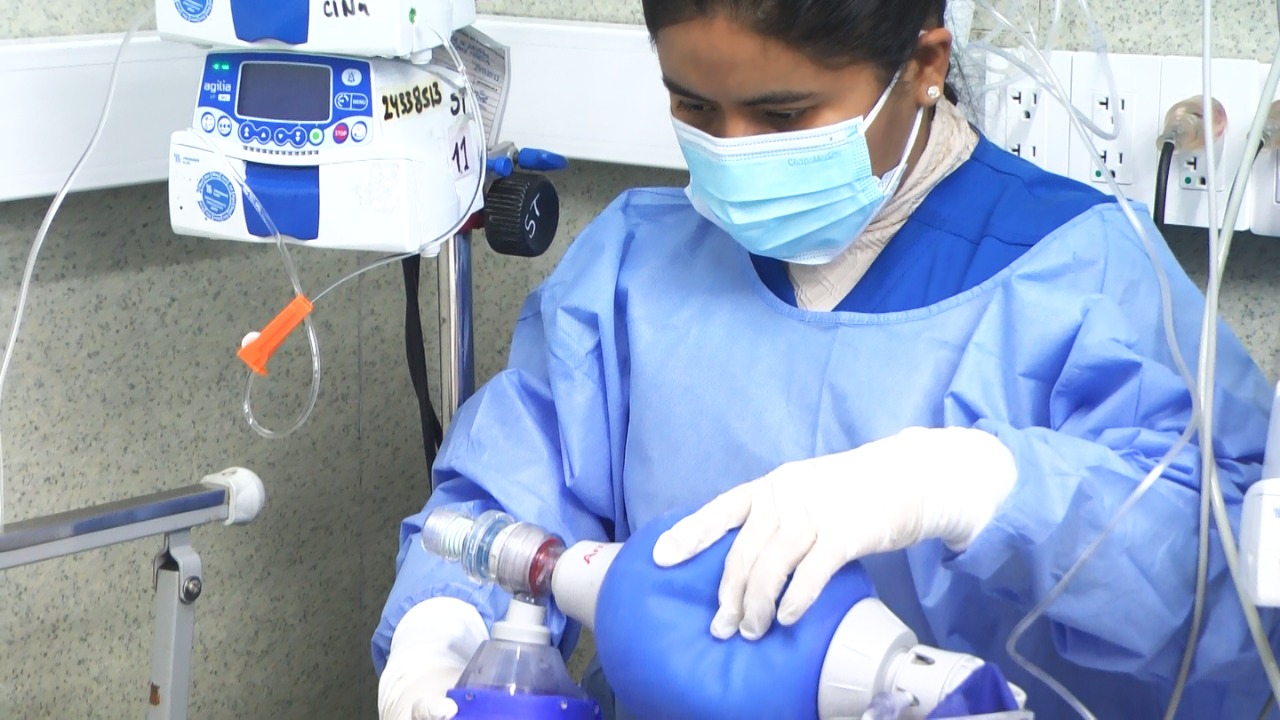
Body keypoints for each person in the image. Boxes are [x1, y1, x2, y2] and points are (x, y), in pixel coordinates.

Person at [374, 0, 1279, 717]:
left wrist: (975, 485)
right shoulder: (637, 263)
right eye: (692, 105)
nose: (730, 150)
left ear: (923, 66)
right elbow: (507, 496)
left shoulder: (1087, 270)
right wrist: (442, 627)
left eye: (782, 113)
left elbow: (1226, 603)